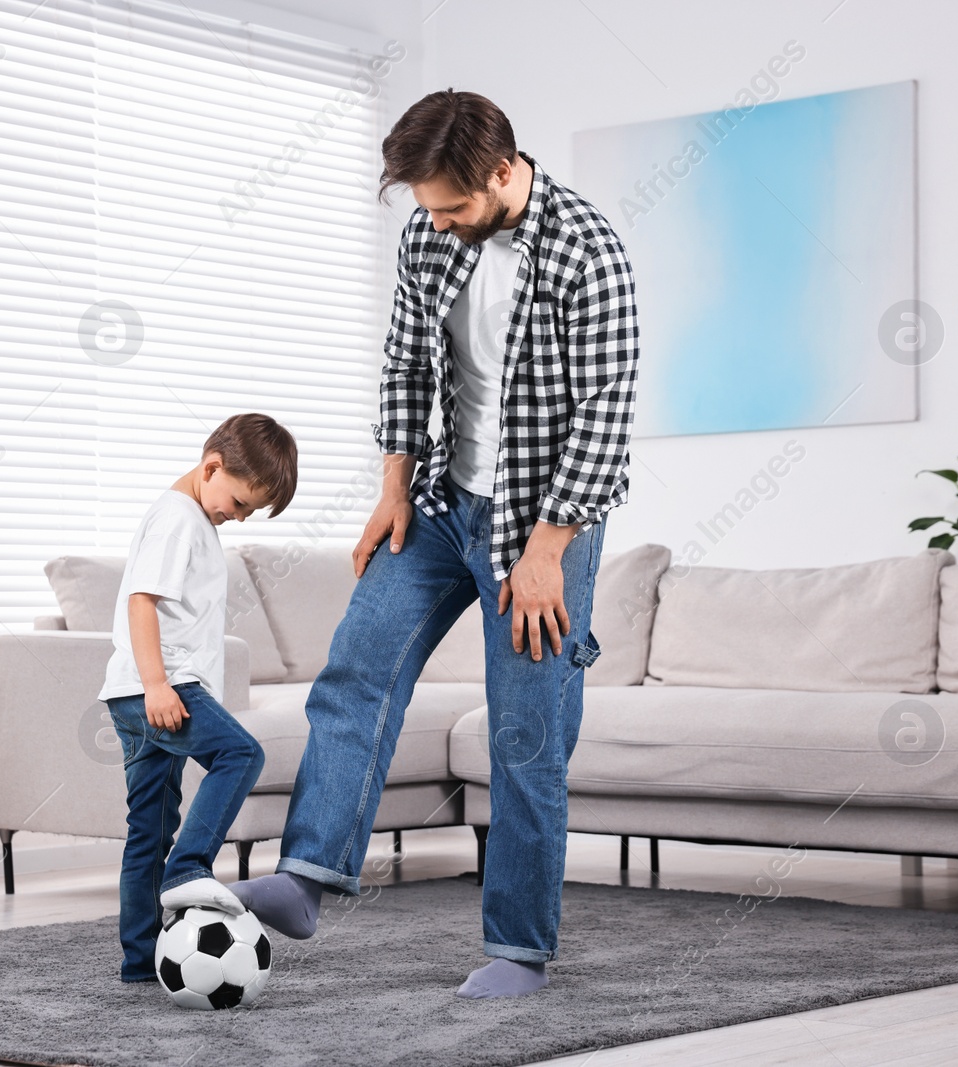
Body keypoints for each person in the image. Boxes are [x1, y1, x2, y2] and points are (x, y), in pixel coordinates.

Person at [233, 90, 640, 1000]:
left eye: (453, 208)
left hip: (545, 518)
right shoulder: (432, 230)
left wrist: (545, 551)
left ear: (503, 173)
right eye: (427, 209)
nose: (439, 225)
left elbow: (605, 419)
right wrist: (391, 488)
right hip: (440, 502)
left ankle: (520, 950)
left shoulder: (589, 253)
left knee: (526, 731)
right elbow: (407, 358)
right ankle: (306, 877)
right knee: (355, 670)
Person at [97, 413, 298, 984]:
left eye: (249, 511)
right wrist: (158, 684)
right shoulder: (180, 518)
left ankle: (139, 963)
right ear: (211, 467)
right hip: (160, 689)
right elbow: (142, 602)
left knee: (149, 830)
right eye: (237, 502)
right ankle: (188, 868)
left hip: (135, 693)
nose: (237, 515)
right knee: (242, 754)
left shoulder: (191, 518)